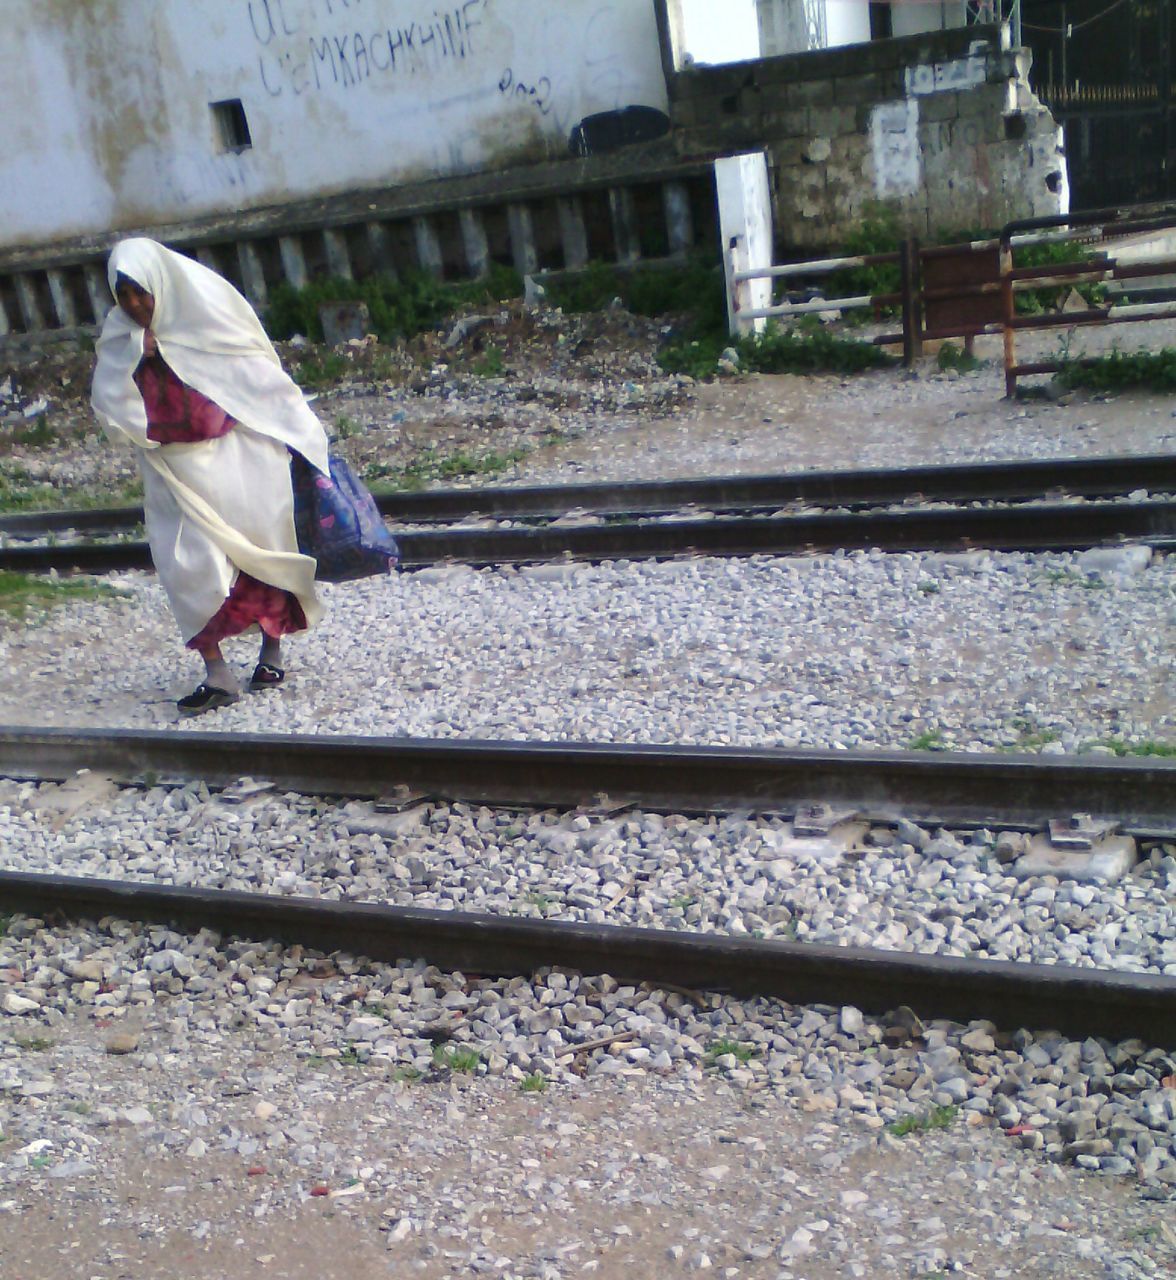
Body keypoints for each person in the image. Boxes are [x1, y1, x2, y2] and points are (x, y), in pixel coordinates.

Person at [91, 238, 331, 716]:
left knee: (261, 555)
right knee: (187, 568)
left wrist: (299, 435)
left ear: (163, 285)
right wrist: (140, 357)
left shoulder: (209, 319)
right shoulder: (122, 340)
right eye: (125, 295)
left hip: (238, 461)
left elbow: (257, 381)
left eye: (143, 292)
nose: (136, 304)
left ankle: (272, 653)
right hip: (172, 471)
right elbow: (111, 408)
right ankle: (217, 672)